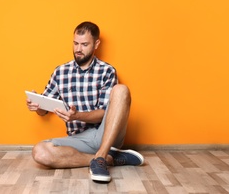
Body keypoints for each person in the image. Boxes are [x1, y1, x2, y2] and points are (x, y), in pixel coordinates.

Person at [26, 21, 144, 183]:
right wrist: (36, 105)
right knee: (40, 152)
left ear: (96, 44)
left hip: (106, 134)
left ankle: (102, 154)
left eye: (84, 44)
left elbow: (105, 113)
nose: (78, 49)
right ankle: (109, 159)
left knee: (121, 90)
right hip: (79, 139)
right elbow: (44, 110)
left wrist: (77, 116)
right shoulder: (60, 72)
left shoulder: (106, 71)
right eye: (75, 43)